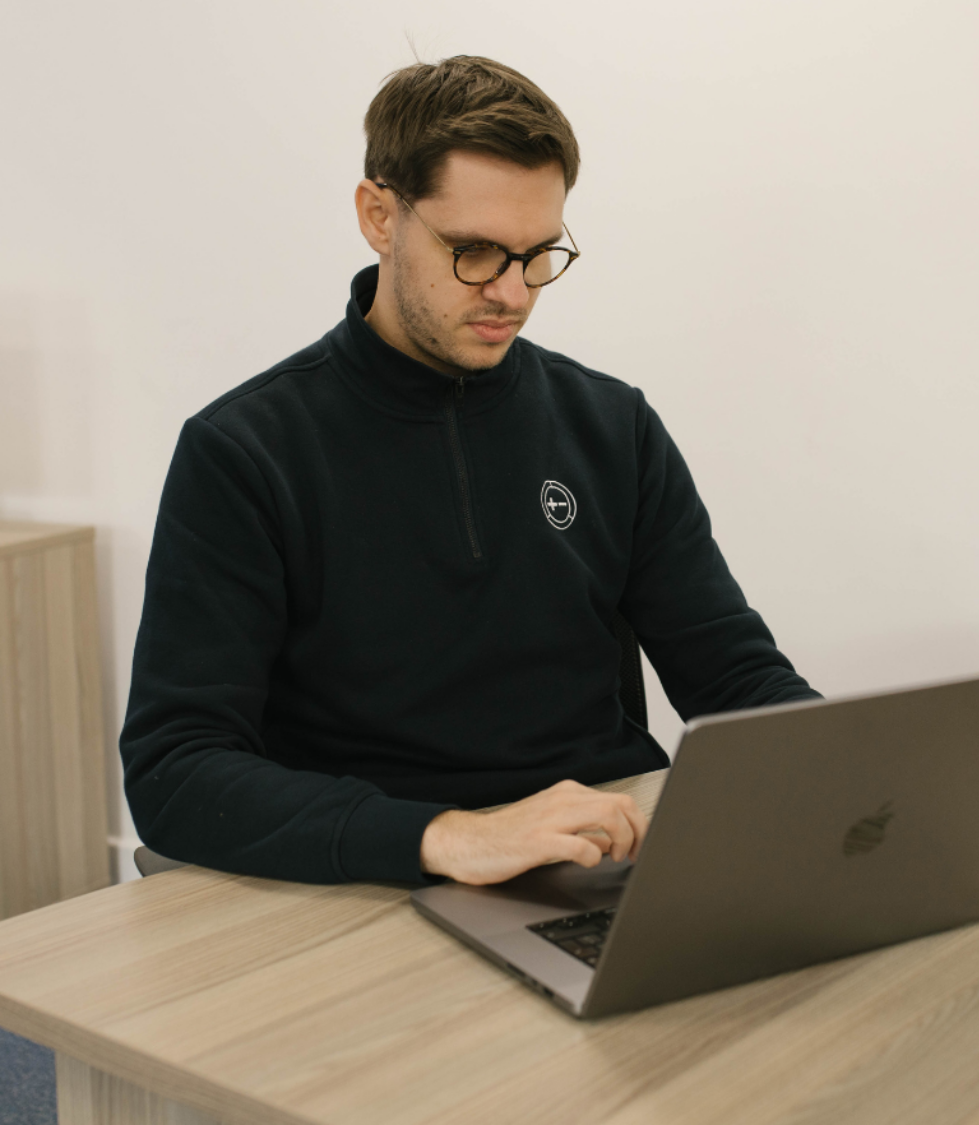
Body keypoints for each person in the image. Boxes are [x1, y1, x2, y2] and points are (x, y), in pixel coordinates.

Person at [120, 56, 817, 888]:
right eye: (476, 252)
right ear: (380, 216)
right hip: (378, 886)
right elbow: (175, 772)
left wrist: (858, 782)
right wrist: (446, 838)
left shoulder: (611, 424)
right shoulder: (245, 451)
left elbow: (733, 674)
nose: (513, 294)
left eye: (538, 255)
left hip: (600, 864)